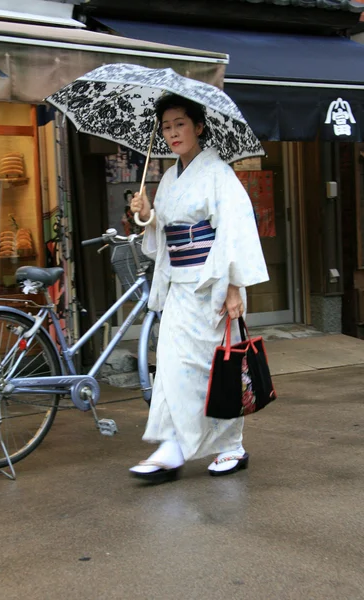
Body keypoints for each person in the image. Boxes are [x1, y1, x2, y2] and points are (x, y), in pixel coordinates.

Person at [129, 94, 269, 483]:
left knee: (215, 367)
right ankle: (171, 445)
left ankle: (231, 446)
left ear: (199, 127)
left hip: (211, 283)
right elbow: (165, 235)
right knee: (173, 365)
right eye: (167, 126)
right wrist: (148, 216)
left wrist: (234, 286)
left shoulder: (218, 173)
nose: (173, 133)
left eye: (180, 124)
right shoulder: (169, 179)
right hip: (178, 284)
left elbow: (236, 229)